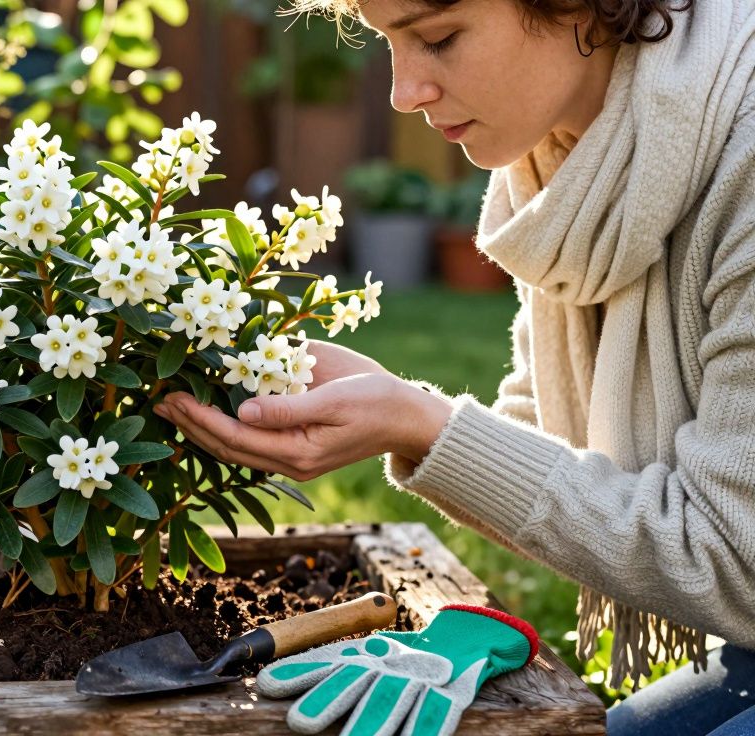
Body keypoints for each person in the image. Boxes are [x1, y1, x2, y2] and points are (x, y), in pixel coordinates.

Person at [152, 0, 755, 733]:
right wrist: (400, 413)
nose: (403, 94)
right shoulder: (570, 161)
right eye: (388, 43)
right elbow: (546, 436)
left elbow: (737, 558)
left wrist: (422, 424)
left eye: (438, 38)